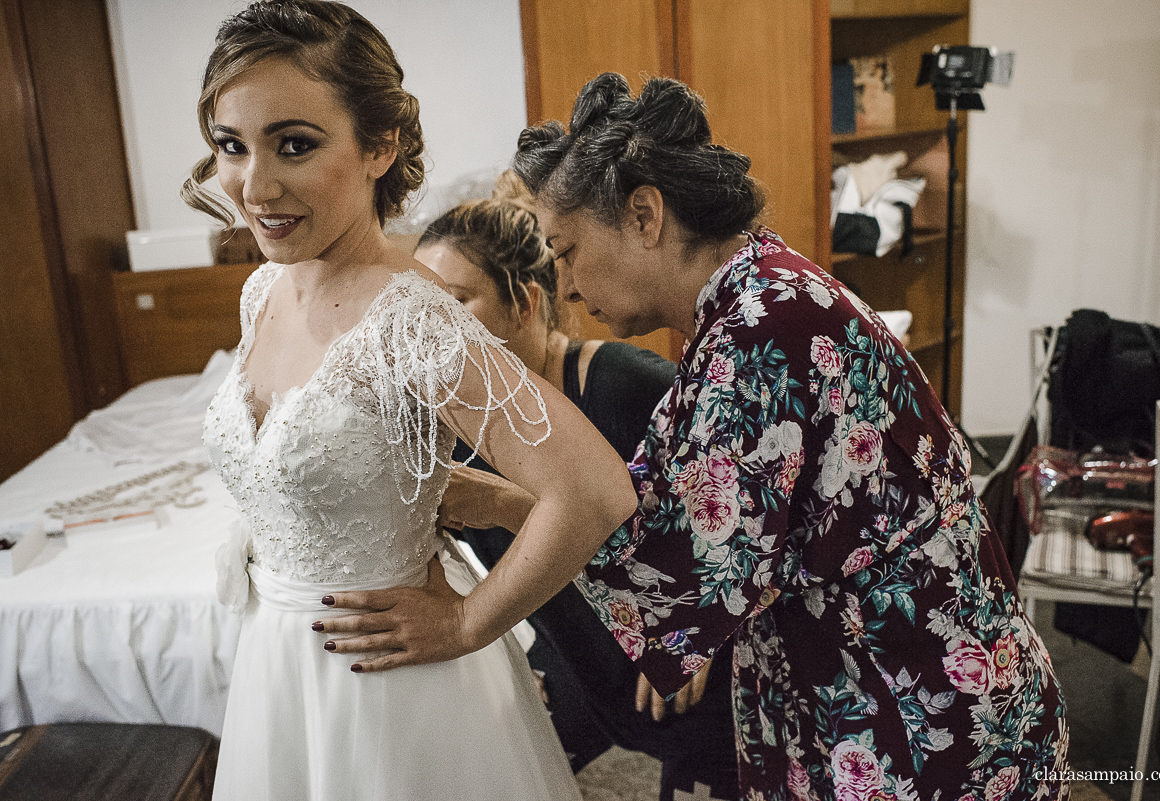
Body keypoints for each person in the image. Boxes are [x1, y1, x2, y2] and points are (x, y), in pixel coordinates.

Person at [326, 73, 1071, 801]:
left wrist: (496, 520)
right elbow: (668, 505)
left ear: (645, 216)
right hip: (884, 682)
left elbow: (677, 575)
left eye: (568, 250)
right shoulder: (750, 298)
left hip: (917, 713)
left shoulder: (762, 331)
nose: (566, 283)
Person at [185, 3, 634, 799]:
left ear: (379, 145)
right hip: (280, 671)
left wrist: (469, 619)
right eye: (231, 146)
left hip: (393, 690)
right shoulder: (262, 291)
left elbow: (591, 488)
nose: (254, 186)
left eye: (295, 144)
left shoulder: (409, 315)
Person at [409, 177, 740, 800]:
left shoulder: (627, 386)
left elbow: (739, 516)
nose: (434, 330)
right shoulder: (453, 421)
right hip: (575, 658)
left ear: (526, 303)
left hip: (679, 653)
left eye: (456, 303)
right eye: (421, 310)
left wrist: (703, 631)